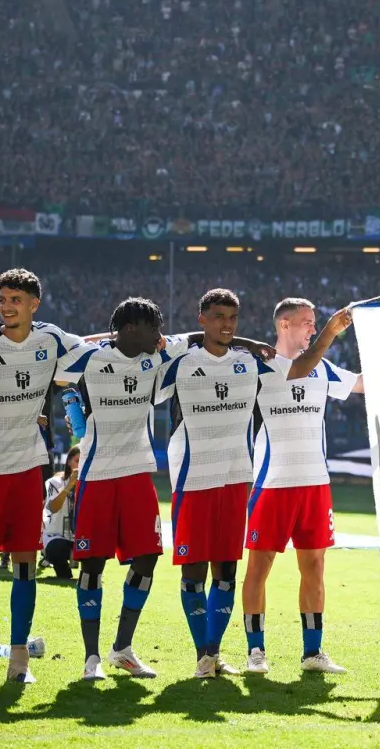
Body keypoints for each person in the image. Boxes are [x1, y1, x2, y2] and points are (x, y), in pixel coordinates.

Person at [53, 297, 198, 682]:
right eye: (153, 327)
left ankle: (122, 648)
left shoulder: (156, 359)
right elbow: (55, 370)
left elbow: (199, 337)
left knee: (148, 557)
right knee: (92, 565)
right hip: (97, 475)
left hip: (137, 474)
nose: (160, 334)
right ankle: (91, 658)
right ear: (131, 328)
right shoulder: (92, 358)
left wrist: (253, 346)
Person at [0, 269, 89, 684]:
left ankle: (19, 662)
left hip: (30, 467)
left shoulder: (52, 339)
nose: (7, 306)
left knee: (25, 565)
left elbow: (96, 350)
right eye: (3, 299)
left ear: (35, 304)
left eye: (17, 299)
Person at [242, 300, 360, 676]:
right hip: (272, 483)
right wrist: (330, 331)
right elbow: (295, 370)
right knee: (259, 567)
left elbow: (360, 384)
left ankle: (313, 652)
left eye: (314, 324)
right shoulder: (262, 364)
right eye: (307, 323)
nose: (312, 329)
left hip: (315, 484)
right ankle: (256, 651)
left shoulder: (323, 367)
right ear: (284, 324)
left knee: (314, 566)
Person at [155, 289, 262, 678]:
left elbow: (296, 370)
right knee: (193, 572)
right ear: (201, 320)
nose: (227, 324)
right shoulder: (181, 362)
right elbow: (145, 349)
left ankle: (211, 653)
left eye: (232, 317)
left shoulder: (249, 364)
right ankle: (203, 652)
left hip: (236, 477)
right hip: (193, 477)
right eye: (218, 317)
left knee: (227, 570)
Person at [42, 448, 80, 580]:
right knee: (56, 549)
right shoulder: (55, 482)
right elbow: (53, 507)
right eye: (77, 461)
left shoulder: (91, 485)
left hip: (81, 536)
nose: (80, 465)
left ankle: (89, 572)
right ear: (69, 461)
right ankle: (61, 568)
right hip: (57, 535)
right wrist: (69, 486)